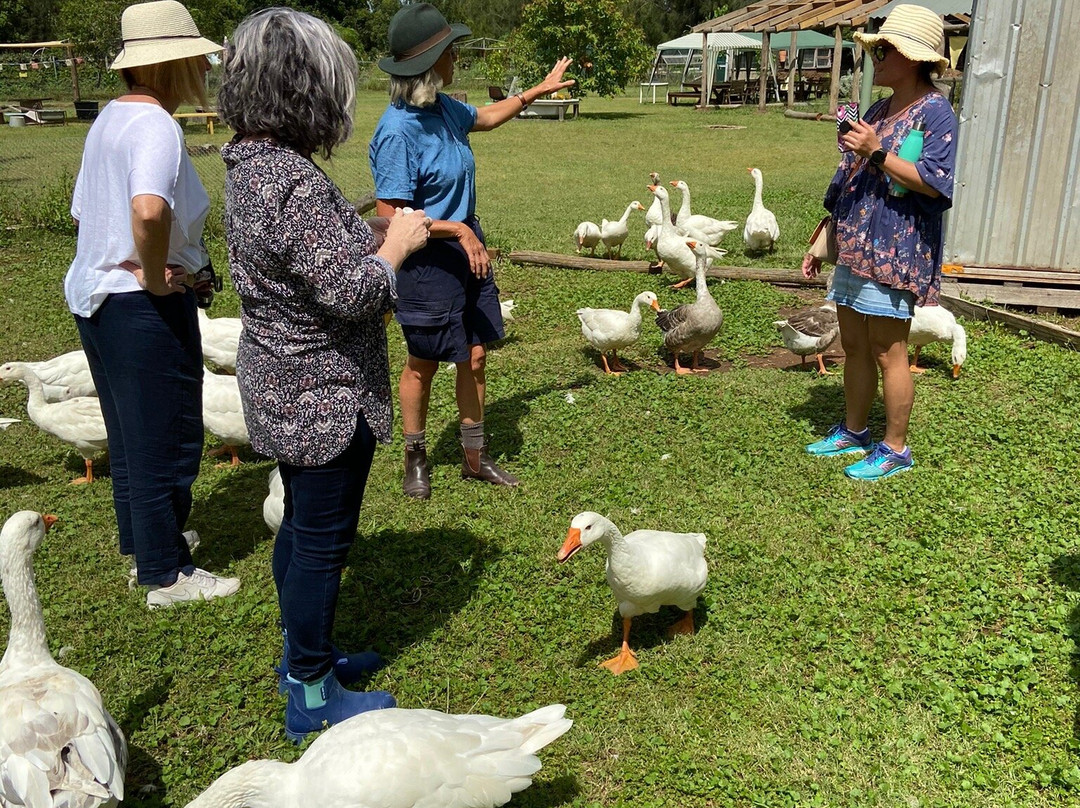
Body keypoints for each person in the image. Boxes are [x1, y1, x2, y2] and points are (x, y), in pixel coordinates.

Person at [218, 7, 431, 742]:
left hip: (279, 382)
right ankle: (310, 692)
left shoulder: (249, 166)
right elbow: (353, 293)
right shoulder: (294, 181)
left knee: (303, 525)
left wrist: (360, 236)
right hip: (323, 396)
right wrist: (396, 244)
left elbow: (306, 264)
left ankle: (301, 659)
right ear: (306, 91)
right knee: (321, 543)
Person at [64, 0, 240, 608]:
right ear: (171, 64)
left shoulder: (110, 118)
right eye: (195, 58)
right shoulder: (157, 126)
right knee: (166, 434)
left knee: (132, 432)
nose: (203, 69)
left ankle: (145, 544)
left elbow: (86, 211)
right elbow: (147, 209)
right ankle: (167, 574)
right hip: (137, 304)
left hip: (95, 297)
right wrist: (156, 275)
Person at [369, 3, 574, 499]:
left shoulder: (442, 108)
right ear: (428, 63)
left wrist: (534, 93)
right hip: (425, 260)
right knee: (423, 360)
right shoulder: (396, 131)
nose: (455, 58)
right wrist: (458, 231)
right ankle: (415, 457)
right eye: (448, 51)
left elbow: (484, 117)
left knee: (476, 356)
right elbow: (391, 216)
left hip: (468, 249)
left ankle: (474, 459)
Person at [802, 3, 957, 481]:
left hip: (896, 248)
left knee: (890, 350)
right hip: (857, 240)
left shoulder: (937, 113)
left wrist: (877, 150)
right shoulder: (879, 107)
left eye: (885, 49)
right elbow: (852, 176)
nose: (877, 56)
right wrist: (823, 235)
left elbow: (934, 183)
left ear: (912, 57)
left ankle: (895, 448)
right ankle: (854, 430)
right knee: (853, 342)